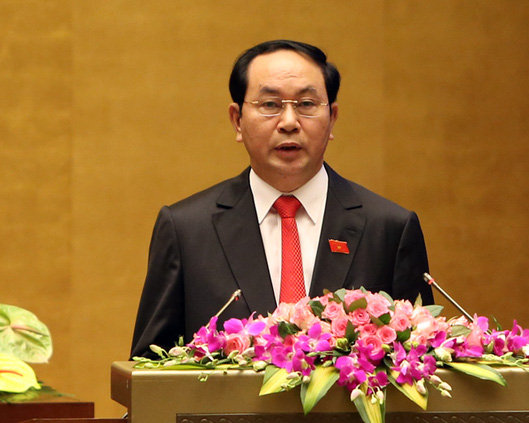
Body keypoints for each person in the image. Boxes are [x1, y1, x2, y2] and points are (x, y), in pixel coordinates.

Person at [130, 40, 433, 359]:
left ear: (332, 118)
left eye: (306, 104)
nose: (289, 122)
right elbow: (148, 367)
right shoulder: (187, 230)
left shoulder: (388, 229)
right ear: (237, 120)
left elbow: (420, 360)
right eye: (270, 104)